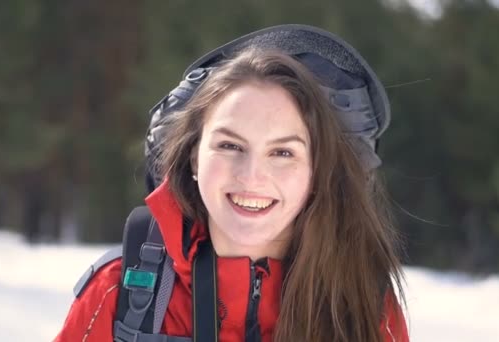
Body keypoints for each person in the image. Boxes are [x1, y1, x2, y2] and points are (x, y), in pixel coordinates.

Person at [55, 25, 408, 342]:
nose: (252, 176)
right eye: (230, 145)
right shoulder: (118, 291)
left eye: (283, 152)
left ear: (316, 171)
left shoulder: (364, 303)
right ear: (194, 156)